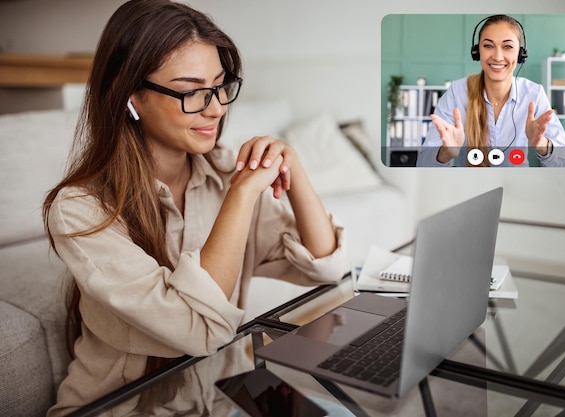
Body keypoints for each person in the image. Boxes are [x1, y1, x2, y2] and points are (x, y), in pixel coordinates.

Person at [42, 1, 349, 415]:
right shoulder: (81, 210)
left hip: (222, 398)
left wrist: (293, 167)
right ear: (127, 92)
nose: (217, 108)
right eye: (191, 91)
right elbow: (199, 329)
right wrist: (240, 196)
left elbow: (327, 270)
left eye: (221, 86)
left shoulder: (224, 174)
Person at [416, 14, 565, 167]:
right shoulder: (457, 93)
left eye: (507, 47)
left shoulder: (533, 94)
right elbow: (423, 165)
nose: (498, 57)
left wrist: (542, 145)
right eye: (488, 46)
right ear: (477, 51)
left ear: (520, 53)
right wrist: (446, 153)